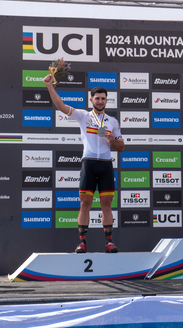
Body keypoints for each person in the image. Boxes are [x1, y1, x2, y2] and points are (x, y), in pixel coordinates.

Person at [44, 75, 124, 253]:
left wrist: (111, 140)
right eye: (97, 98)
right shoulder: (83, 116)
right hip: (88, 163)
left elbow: (121, 147)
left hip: (105, 164)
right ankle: (82, 243)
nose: (100, 101)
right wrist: (50, 86)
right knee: (84, 204)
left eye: (103, 99)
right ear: (91, 100)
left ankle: (109, 243)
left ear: (106, 100)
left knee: (107, 205)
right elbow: (61, 106)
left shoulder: (112, 122)